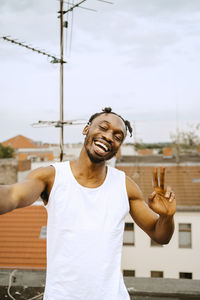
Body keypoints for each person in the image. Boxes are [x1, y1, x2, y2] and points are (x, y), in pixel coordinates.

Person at [0, 107, 176, 300]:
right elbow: (12, 196)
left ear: (118, 147)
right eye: (103, 128)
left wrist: (167, 217)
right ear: (86, 130)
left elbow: (161, 235)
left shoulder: (125, 186)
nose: (109, 136)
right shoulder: (51, 177)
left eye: (117, 136)